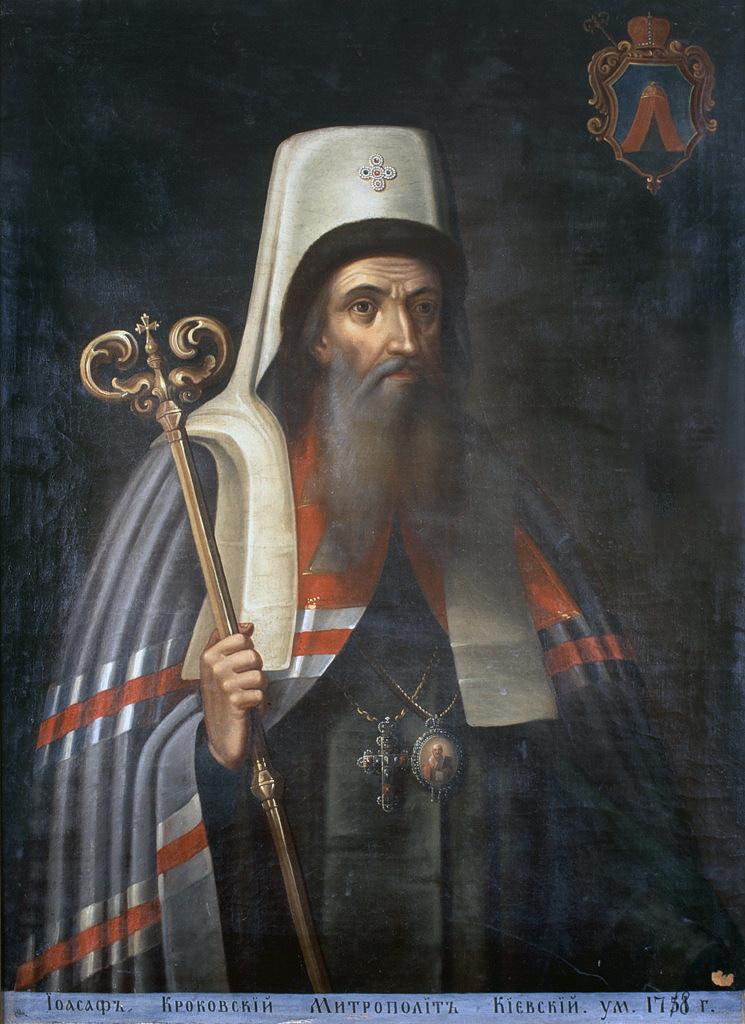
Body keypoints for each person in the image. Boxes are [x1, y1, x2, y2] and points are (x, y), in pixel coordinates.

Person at [16, 127, 743, 995]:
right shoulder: (211, 496)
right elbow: (124, 802)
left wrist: (683, 951)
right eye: (365, 308)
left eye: (424, 309)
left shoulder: (493, 508)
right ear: (314, 336)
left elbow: (577, 807)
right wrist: (213, 751)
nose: (402, 338)